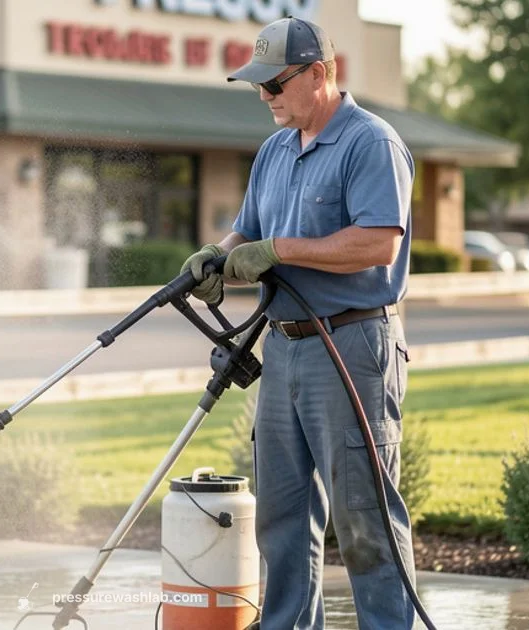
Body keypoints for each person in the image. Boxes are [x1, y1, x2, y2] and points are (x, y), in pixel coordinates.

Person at [180, 17, 417, 630]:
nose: (264, 96)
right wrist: (215, 258)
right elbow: (248, 234)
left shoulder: (372, 143)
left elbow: (378, 243)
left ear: (318, 74)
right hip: (283, 348)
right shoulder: (275, 150)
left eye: (274, 83)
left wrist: (280, 250)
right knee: (281, 516)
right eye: (257, 85)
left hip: (352, 345)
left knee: (363, 517)